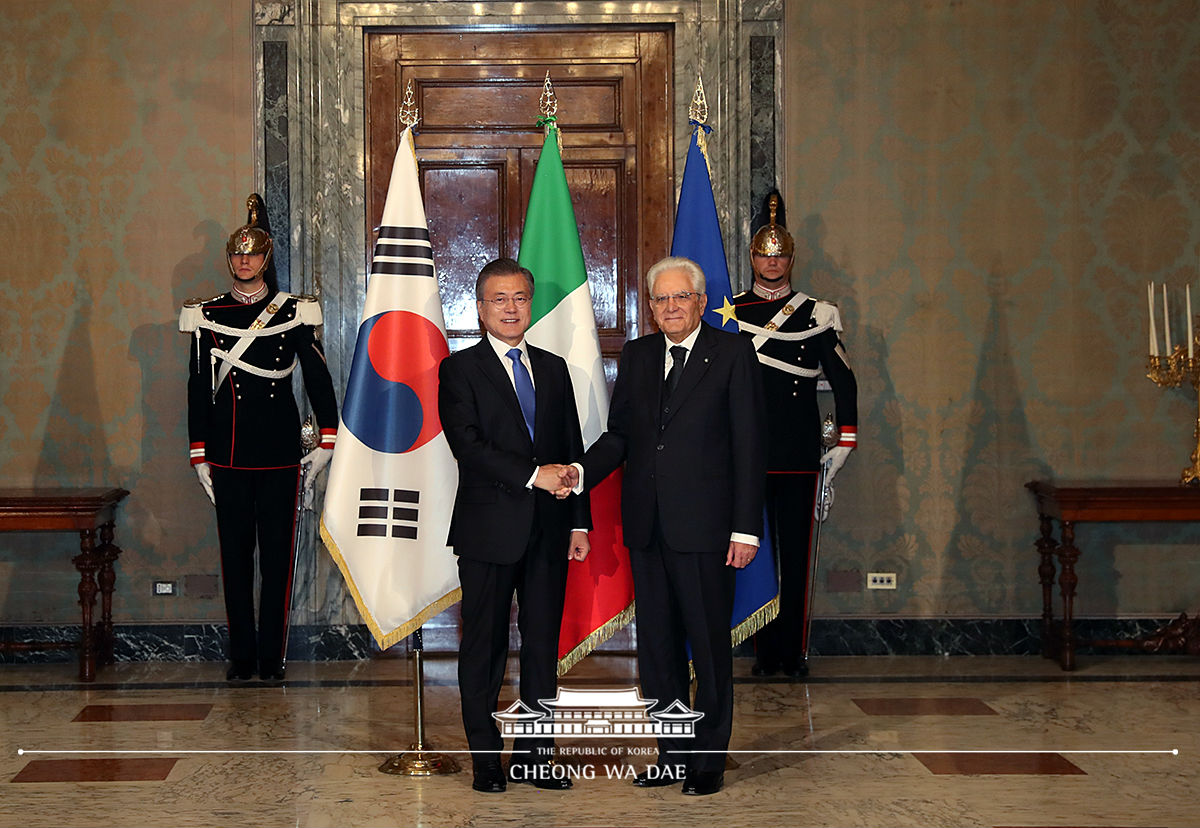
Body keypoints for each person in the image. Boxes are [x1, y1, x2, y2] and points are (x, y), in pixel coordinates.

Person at [571, 256, 766, 796]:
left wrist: (746, 529)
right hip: (649, 530)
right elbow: (621, 437)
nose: (671, 307)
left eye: (682, 297)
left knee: (707, 648)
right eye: (661, 299)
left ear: (701, 302)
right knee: (657, 651)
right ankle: (672, 755)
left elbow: (751, 446)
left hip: (708, 530)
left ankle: (707, 762)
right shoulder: (637, 355)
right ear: (651, 307)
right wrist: (581, 471)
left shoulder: (731, 353)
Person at [437, 257, 591, 794]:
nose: (510, 308)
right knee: (484, 649)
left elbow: (571, 450)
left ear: (531, 304)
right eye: (498, 299)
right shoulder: (458, 370)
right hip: (488, 531)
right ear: (479, 309)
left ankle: (536, 756)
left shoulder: (552, 367)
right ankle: (486, 758)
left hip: (550, 531)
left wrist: (579, 521)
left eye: (519, 298)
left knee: (542, 649)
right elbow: (468, 447)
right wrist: (533, 474)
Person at [180, 194, 338, 684]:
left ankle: (272, 658)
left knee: (277, 561)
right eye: (237, 254)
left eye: (252, 254)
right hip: (227, 454)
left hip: (277, 453)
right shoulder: (207, 314)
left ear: (266, 259)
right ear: (229, 260)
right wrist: (199, 452)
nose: (244, 261)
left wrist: (326, 440)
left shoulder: (293, 311)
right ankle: (241, 657)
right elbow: (196, 387)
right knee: (234, 561)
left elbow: (316, 379)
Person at [732, 191, 858, 679]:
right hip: (745, 455)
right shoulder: (730, 312)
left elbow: (843, 379)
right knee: (751, 555)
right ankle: (761, 653)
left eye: (779, 255)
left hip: (799, 453)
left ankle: (792, 653)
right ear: (753, 259)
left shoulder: (815, 314)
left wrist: (844, 441)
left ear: (790, 259)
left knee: (797, 558)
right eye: (764, 255)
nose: (772, 263)